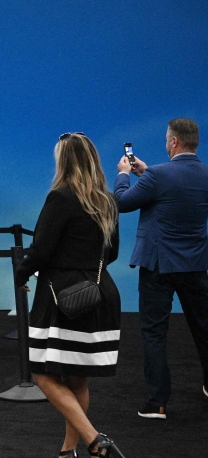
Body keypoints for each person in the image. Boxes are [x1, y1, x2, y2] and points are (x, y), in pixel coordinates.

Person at [15, 133, 125, 458]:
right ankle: (68, 452)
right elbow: (112, 253)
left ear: (63, 161)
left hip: (63, 298)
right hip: (99, 295)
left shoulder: (60, 197)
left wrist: (21, 274)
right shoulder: (108, 201)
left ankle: (94, 441)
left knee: (42, 372)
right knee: (77, 379)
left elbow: (41, 250)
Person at [115, 117, 208, 419]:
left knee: (154, 333)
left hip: (158, 266)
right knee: (204, 328)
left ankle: (157, 402)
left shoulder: (158, 175)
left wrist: (125, 174)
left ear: (174, 142)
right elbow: (175, 194)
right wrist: (146, 173)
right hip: (195, 265)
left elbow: (121, 203)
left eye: (167, 139)